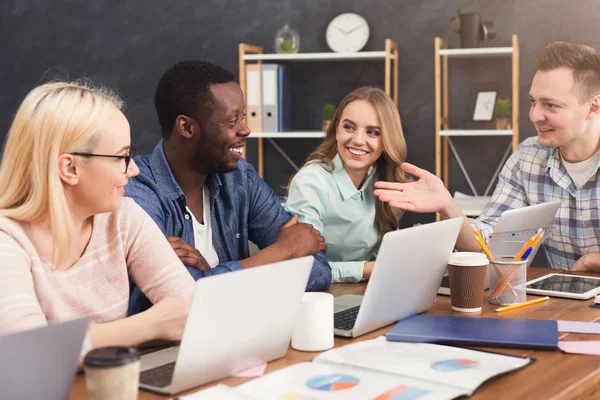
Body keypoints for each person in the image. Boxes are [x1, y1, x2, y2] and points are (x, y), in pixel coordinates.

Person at [0, 81, 196, 354]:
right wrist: (151, 324)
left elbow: (192, 312)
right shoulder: (7, 241)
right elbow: (27, 350)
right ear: (70, 167)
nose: (134, 170)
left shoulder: (122, 218)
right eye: (122, 157)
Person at [125, 60, 331, 314]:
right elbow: (181, 300)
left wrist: (211, 278)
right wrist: (284, 250)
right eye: (232, 121)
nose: (245, 129)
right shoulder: (136, 190)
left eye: (243, 117)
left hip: (241, 332)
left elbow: (320, 270)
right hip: (167, 350)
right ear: (187, 127)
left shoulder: (240, 178)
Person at [374, 41, 600, 272]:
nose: (534, 116)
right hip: (568, 303)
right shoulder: (527, 159)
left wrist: (594, 261)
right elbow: (488, 248)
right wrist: (447, 205)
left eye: (551, 106)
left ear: (593, 107)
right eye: (533, 102)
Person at [286, 87, 410, 282]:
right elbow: (304, 268)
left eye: (372, 132)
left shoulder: (380, 178)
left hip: (359, 292)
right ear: (336, 130)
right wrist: (368, 269)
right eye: (349, 127)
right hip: (315, 295)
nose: (358, 140)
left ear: (387, 140)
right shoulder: (310, 182)